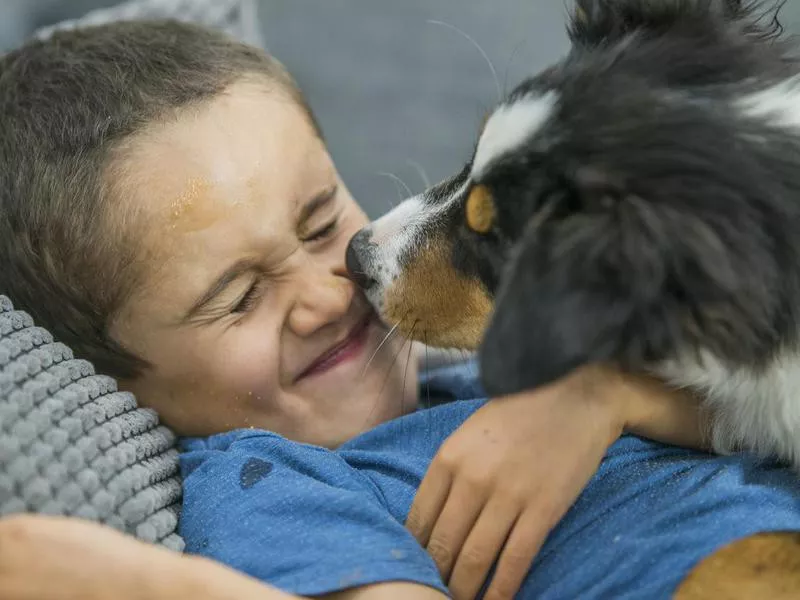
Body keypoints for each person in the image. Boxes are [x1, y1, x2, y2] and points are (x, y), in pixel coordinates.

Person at [1, 19, 800, 600]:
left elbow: (749, 400)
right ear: (118, 381)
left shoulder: (520, 353)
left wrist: (603, 398)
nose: (330, 289)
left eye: (321, 223)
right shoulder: (269, 482)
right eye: (238, 297)